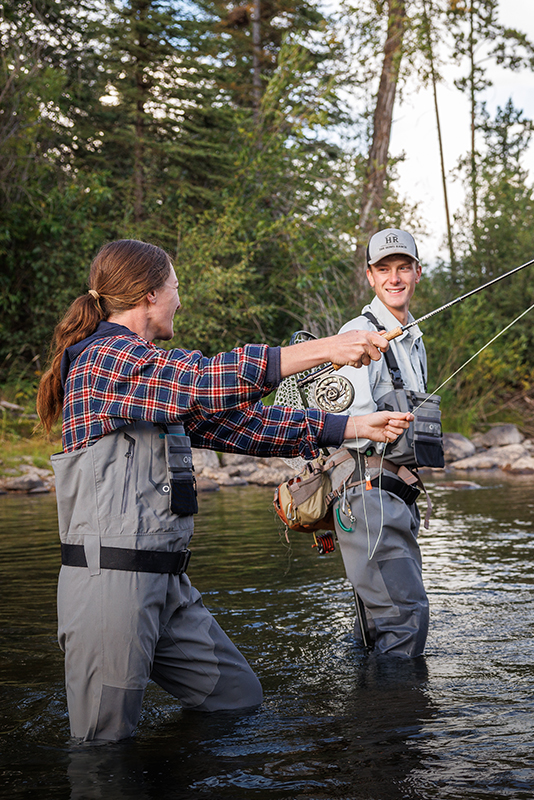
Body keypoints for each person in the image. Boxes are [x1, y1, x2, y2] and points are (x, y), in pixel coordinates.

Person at [36, 238, 412, 742]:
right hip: (109, 584)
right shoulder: (104, 362)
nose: (179, 298)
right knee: (105, 752)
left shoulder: (149, 378)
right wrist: (326, 349)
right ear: (149, 294)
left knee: (236, 699)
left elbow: (247, 426)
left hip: (168, 586)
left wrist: (355, 427)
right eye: (175, 287)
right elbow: (209, 379)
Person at [332, 228, 442, 658]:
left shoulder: (414, 337)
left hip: (398, 498)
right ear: (370, 277)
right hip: (368, 498)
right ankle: (397, 722)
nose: (394, 278)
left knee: (376, 626)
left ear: (417, 273)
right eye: (384, 270)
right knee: (405, 619)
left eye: (402, 268)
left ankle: (372, 716)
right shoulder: (357, 332)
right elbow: (340, 420)